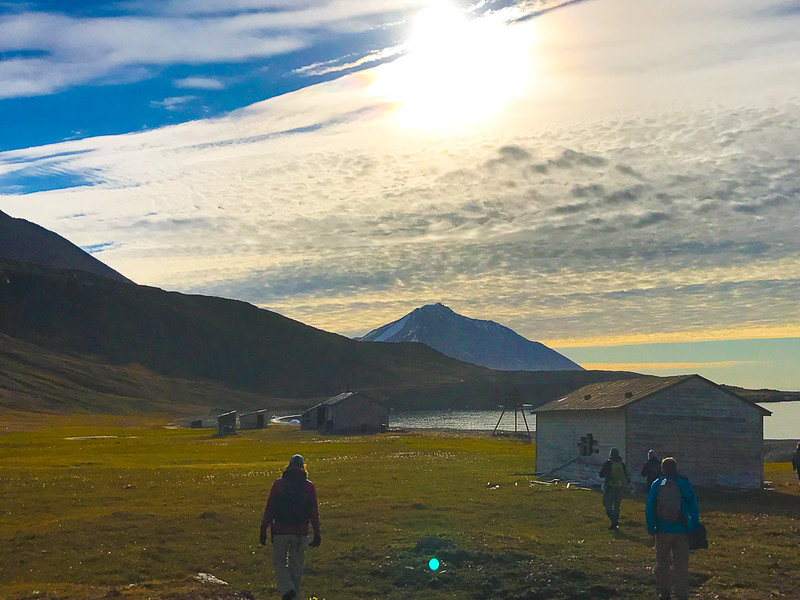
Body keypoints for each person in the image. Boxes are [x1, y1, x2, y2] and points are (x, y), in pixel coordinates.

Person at [260, 454, 321, 600]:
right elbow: (313, 512)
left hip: (280, 531)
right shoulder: (309, 486)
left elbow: (269, 509)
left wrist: (263, 529)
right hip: (300, 533)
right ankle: (294, 595)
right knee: (297, 569)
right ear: (303, 467)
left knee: (280, 564)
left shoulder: (278, 484)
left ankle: (288, 593)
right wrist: (317, 533)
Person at [645, 457, 699, 600]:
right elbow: (693, 505)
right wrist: (694, 526)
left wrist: (651, 527)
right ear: (676, 468)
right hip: (682, 530)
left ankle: (664, 593)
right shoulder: (684, 484)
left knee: (663, 563)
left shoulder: (657, 484)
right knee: (681, 565)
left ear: (663, 469)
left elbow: (650, 506)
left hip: (662, 529)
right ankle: (681, 594)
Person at [598, 447, 630, 530]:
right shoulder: (622, 464)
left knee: (606, 504)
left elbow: (602, 474)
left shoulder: (608, 463)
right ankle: (614, 523)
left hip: (610, 487)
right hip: (620, 487)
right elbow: (627, 477)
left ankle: (614, 521)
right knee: (617, 506)